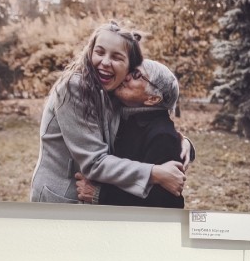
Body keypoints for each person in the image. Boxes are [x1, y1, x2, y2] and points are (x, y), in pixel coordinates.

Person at [30, 21, 186, 204]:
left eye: (117, 57)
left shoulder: (112, 90)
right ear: (90, 52)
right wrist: (155, 173)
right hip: (62, 195)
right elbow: (94, 162)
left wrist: (182, 144)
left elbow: (142, 129)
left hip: (89, 197)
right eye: (99, 52)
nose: (105, 62)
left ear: (128, 66)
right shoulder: (74, 88)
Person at [75, 60, 186, 208]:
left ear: (152, 99)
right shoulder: (125, 116)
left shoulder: (162, 136)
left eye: (137, 75)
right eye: (130, 70)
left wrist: (101, 195)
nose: (126, 76)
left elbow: (167, 203)